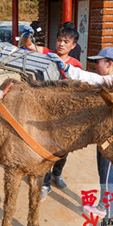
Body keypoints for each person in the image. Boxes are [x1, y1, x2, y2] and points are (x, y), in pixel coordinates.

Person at [48, 47, 113, 226]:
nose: (95, 65)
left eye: (98, 62)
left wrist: (67, 68)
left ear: (109, 64)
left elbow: (90, 78)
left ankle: (111, 224)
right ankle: (102, 206)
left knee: (108, 181)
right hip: (105, 137)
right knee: (103, 177)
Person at [22, 23, 81, 200]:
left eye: (66, 41)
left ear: (73, 46)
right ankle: (45, 183)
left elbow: (77, 88)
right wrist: (26, 36)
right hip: (45, 110)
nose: (61, 44)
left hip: (64, 112)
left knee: (64, 149)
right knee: (46, 148)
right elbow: (29, 46)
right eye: (59, 40)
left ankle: (58, 173)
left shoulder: (76, 64)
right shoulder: (48, 54)